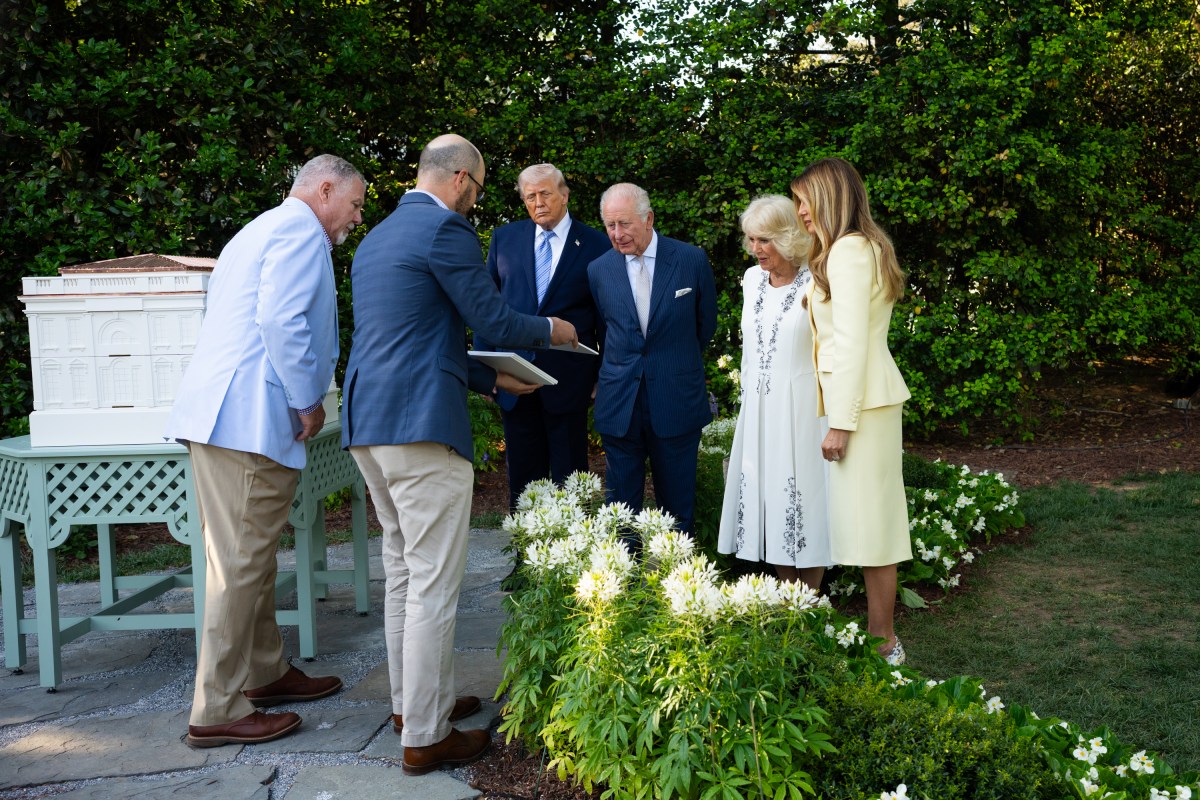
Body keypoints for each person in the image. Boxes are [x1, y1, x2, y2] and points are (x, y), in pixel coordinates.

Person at [340, 134, 578, 775]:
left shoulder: (378, 238)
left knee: (403, 570)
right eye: (476, 192)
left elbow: (415, 335)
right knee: (433, 582)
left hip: (369, 421)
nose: (474, 204)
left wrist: (489, 378)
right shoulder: (445, 232)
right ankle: (423, 733)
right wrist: (552, 331)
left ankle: (414, 703)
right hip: (420, 425)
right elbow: (493, 322)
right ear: (461, 179)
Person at [165, 154, 366, 747]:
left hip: (221, 417)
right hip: (249, 421)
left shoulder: (258, 229)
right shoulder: (301, 233)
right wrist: (309, 399)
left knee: (244, 556)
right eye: (353, 204)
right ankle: (217, 707)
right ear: (324, 189)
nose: (355, 217)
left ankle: (265, 672)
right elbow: (282, 322)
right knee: (240, 564)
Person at [790, 157, 912, 665]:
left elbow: (853, 344)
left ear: (829, 198)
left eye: (804, 200)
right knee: (869, 523)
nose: (799, 212)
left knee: (875, 527)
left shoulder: (848, 251)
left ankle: (884, 642)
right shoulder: (857, 247)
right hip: (863, 402)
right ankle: (880, 637)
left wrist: (841, 424)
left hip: (860, 406)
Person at [476, 163, 610, 510]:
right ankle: (526, 557)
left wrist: (602, 376)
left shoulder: (596, 244)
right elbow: (486, 308)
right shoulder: (505, 239)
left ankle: (572, 556)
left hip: (569, 382)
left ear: (564, 195)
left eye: (545, 194)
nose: (538, 203)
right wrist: (487, 372)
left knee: (571, 479)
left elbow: (608, 318)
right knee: (523, 479)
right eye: (530, 196)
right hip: (514, 380)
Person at [588, 183, 717, 535]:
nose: (617, 234)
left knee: (678, 510)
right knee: (619, 513)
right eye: (610, 225)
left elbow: (705, 326)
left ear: (649, 219)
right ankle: (622, 583)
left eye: (625, 224)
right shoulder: (598, 270)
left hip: (676, 398)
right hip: (620, 403)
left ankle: (679, 584)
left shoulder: (690, 260)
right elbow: (604, 329)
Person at [717, 195, 831, 588]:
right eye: (751, 240)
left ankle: (810, 596)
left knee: (804, 497)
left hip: (802, 406)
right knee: (768, 494)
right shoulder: (751, 280)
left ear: (787, 237)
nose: (756, 249)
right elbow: (751, 349)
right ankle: (788, 593)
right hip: (759, 406)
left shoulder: (818, 279)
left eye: (764, 240)